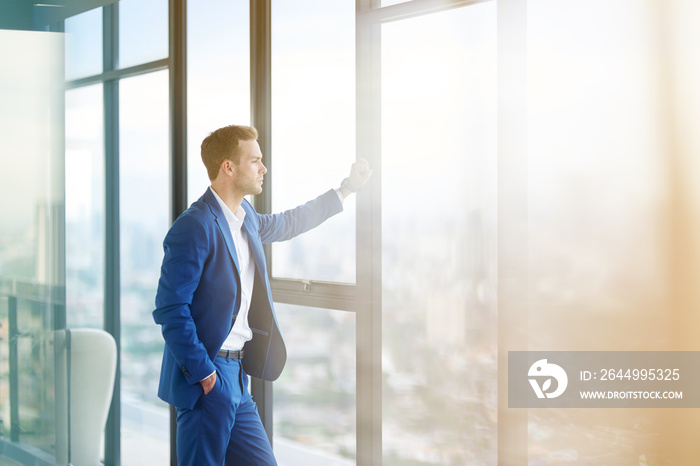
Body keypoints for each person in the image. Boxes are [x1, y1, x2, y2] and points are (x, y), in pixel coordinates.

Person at [152, 124, 371, 465]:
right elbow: (169, 308)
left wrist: (345, 190)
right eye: (255, 160)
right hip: (209, 376)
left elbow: (289, 222)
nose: (263, 168)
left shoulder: (246, 218)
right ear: (229, 167)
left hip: (238, 377)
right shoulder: (194, 225)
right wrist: (206, 376)